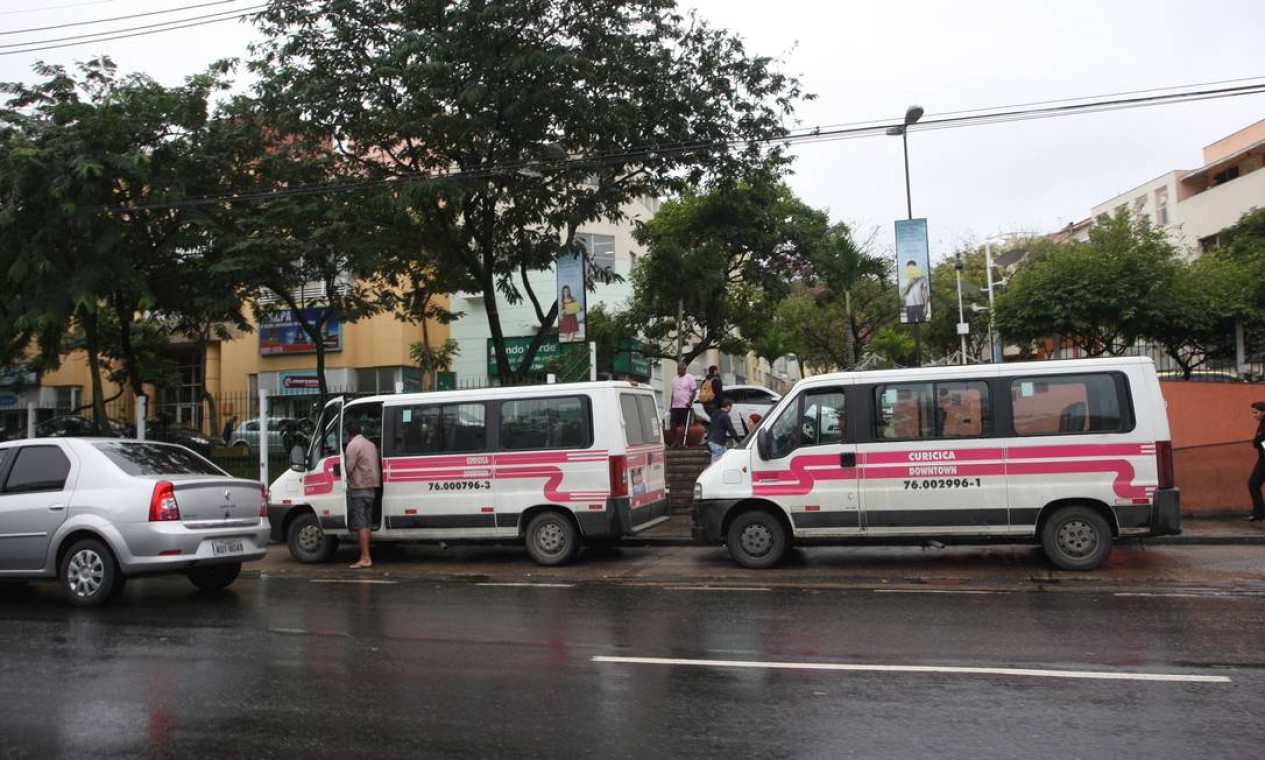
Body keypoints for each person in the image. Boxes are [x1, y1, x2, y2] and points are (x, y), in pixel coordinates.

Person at [344, 419, 382, 568]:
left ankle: (365, 557)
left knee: (361, 525)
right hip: (372, 489)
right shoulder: (371, 444)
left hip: (359, 489)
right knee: (367, 523)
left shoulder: (352, 446)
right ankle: (366, 555)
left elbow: (348, 468)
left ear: (348, 435)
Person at [669, 362, 697, 448]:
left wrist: (690, 402)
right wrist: (671, 406)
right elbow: (673, 393)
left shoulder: (690, 378)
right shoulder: (674, 379)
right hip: (675, 406)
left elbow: (694, 391)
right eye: (678, 369)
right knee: (672, 423)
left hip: (685, 406)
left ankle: (685, 443)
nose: (679, 371)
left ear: (685, 369)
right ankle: (675, 441)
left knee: (686, 425)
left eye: (681, 369)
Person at [706, 399, 740, 463]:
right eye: (731, 407)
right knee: (716, 463)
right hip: (717, 442)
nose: (731, 409)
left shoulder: (714, 414)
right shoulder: (725, 416)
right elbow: (731, 429)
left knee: (725, 458)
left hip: (712, 440)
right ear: (728, 406)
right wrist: (739, 441)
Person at [1247, 401, 1265, 522]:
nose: (1254, 415)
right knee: (1253, 484)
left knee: (1253, 483)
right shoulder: (1262, 425)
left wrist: (1257, 441)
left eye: (1256, 413)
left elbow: (1259, 440)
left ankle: (1259, 513)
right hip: (1263, 458)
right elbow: (1257, 441)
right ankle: (1259, 513)